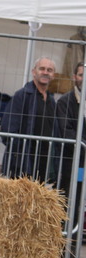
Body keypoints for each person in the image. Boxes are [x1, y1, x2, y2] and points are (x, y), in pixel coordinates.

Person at [2, 57, 61, 182]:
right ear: (34, 72)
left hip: (44, 163)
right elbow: (8, 130)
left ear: (53, 75)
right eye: (42, 69)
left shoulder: (51, 101)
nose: (45, 72)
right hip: (23, 163)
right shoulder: (22, 95)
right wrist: (18, 155)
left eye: (49, 70)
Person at [57, 61, 85, 196]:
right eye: (81, 75)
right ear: (74, 77)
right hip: (73, 161)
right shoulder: (65, 101)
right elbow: (66, 131)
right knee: (73, 194)